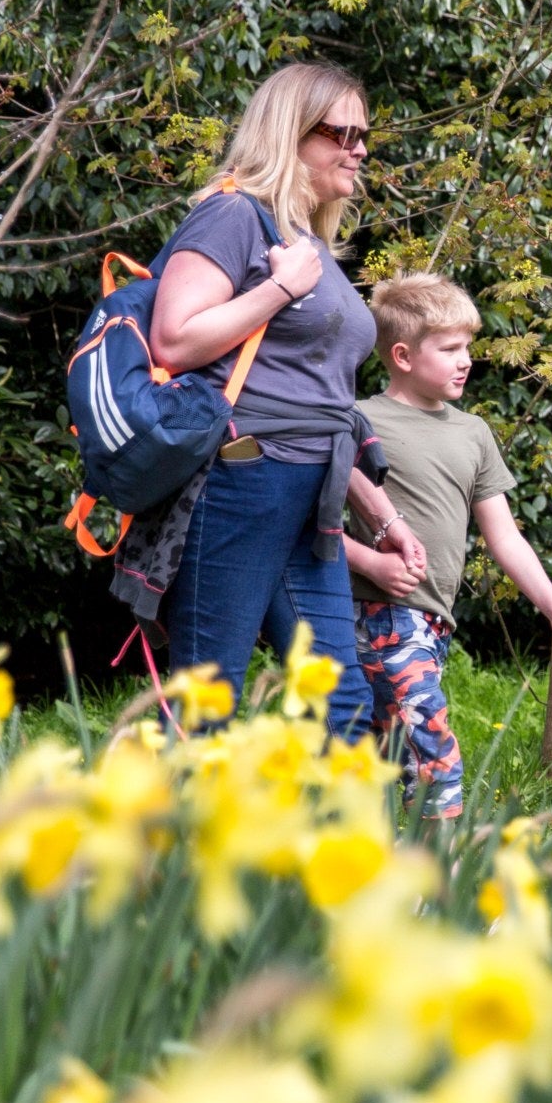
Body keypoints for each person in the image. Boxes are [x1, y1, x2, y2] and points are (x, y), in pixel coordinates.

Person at [146, 63, 421, 738]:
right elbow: (174, 340)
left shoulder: (306, 242)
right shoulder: (232, 214)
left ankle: (335, 846)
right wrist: (278, 291)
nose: (358, 149)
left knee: (342, 709)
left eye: (364, 135)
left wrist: (379, 513)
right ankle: (164, 841)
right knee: (206, 703)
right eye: (342, 133)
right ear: (290, 133)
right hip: (241, 482)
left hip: (307, 494)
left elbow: (323, 404)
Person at [345, 274, 552, 819]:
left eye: (468, 348)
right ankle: (447, 889)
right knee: (435, 761)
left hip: (433, 625)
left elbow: (503, 535)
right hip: (377, 616)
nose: (466, 361)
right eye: (450, 349)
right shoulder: (359, 420)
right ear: (403, 355)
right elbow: (304, 522)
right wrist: (368, 562)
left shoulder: (473, 432)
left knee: (380, 763)